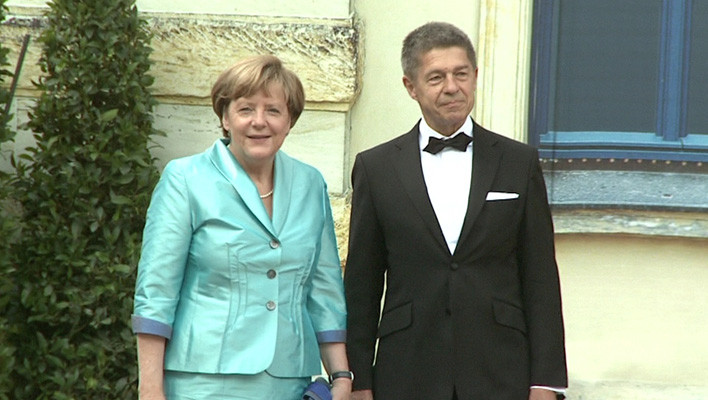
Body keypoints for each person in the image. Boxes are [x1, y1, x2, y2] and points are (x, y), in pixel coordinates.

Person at [344, 22, 568, 400]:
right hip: (406, 372)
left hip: (501, 372)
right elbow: (362, 287)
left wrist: (545, 382)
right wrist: (358, 381)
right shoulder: (376, 168)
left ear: (475, 77)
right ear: (410, 87)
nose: (452, 87)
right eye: (436, 77)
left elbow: (541, 278)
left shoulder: (518, 162)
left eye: (461, 74)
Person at [131, 55, 352, 400]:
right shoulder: (186, 179)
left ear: (290, 119)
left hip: (288, 382)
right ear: (225, 117)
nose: (259, 122)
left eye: (273, 110)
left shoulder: (311, 184)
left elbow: (324, 291)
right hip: (201, 382)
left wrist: (341, 376)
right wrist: (150, 390)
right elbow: (156, 291)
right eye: (246, 109)